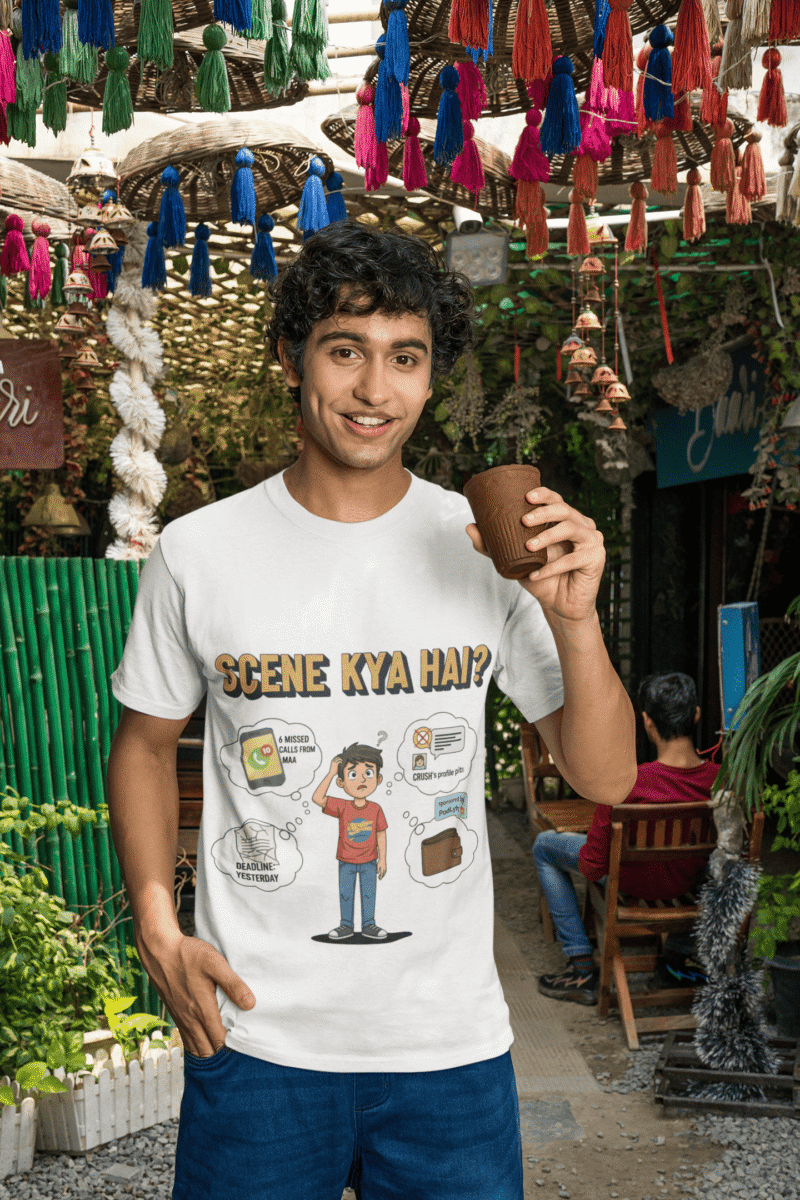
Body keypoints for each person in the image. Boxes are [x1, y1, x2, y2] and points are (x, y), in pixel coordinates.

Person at [106, 221, 637, 1200]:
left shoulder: (482, 543)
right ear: (290, 357)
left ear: (429, 377)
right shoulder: (199, 550)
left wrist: (574, 622)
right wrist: (154, 923)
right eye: (345, 351)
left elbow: (605, 778)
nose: (373, 391)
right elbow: (143, 744)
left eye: (405, 358)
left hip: (447, 1049)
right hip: (257, 1038)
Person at [534, 672, 719, 1006]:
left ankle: (581, 968)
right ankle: (675, 961)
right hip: (686, 889)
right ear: (696, 715)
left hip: (632, 888)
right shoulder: (722, 781)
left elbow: (592, 867)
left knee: (544, 846)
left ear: (647, 722)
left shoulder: (626, 784)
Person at [311, 743, 389, 941]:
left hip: (370, 861)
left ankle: (368, 925)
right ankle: (346, 925)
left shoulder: (376, 808)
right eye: (353, 775)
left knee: (368, 894)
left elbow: (381, 833)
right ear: (341, 782)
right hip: (346, 860)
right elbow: (317, 798)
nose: (362, 780)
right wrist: (330, 773)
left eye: (369, 773)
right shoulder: (342, 806)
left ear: (378, 779)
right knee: (346, 894)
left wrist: (383, 860)